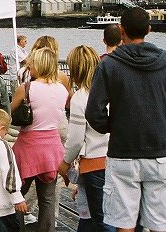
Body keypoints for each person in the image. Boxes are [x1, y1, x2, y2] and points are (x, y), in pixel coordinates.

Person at [85, 7, 166, 232]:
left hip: (123, 153)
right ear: (149, 29)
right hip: (159, 151)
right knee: (159, 223)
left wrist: (112, 126)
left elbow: (93, 111)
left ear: (121, 30)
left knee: (123, 223)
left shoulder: (109, 64)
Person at [10, 47, 68, 232]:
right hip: (52, 146)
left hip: (28, 145)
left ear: (39, 65)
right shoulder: (62, 89)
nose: (29, 66)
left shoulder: (26, 88)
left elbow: (9, 111)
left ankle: (17, 228)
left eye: (32, 63)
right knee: (48, 199)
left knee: (17, 194)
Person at [57, 45, 112, 232]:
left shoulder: (80, 98)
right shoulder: (111, 92)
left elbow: (76, 139)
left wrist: (65, 163)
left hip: (94, 163)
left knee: (101, 220)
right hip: (115, 159)